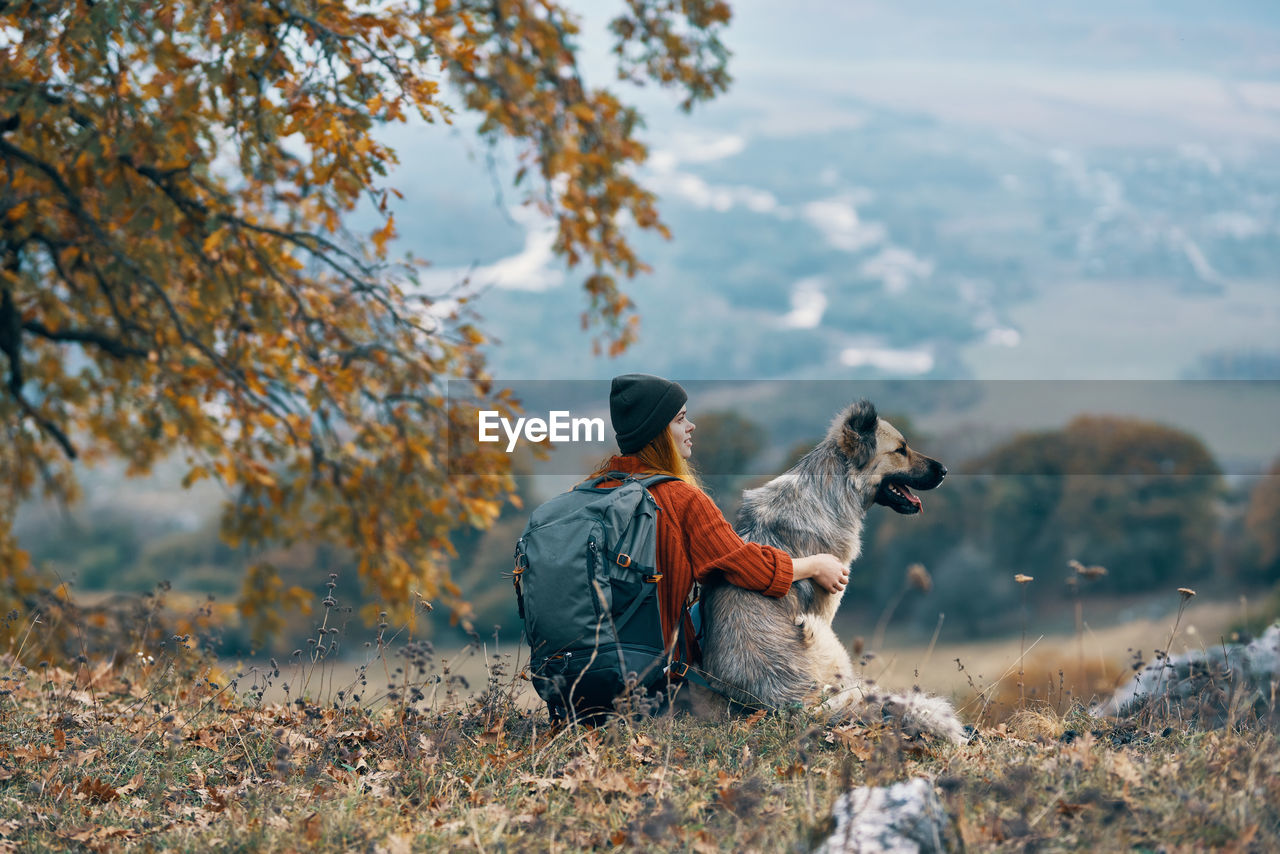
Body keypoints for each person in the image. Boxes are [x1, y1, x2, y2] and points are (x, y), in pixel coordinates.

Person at [592, 373, 849, 676]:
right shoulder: (681, 498)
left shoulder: (595, 490)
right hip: (653, 676)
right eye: (680, 419)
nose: (691, 427)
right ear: (658, 432)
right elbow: (747, 565)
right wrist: (816, 566)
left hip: (586, 674)